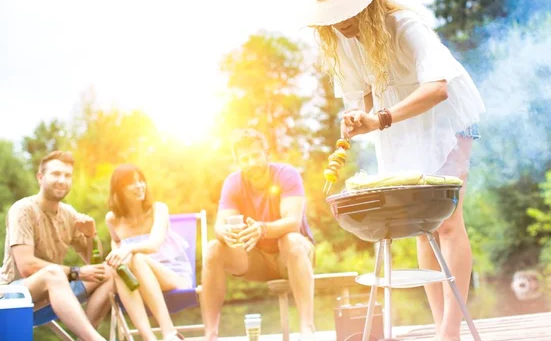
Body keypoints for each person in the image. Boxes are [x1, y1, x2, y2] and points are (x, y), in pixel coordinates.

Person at [306, 0, 486, 341]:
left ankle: (451, 330)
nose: (340, 23)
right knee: (423, 227)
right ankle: (440, 325)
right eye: (332, 17)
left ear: (365, 3)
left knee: (448, 223)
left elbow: (439, 89)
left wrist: (381, 118)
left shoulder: (407, 26)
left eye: (345, 12)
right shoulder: (340, 39)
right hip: (400, 128)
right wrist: (359, 116)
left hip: (446, 119)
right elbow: (365, 92)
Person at [202, 128, 316, 341]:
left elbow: (293, 222)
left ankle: (307, 329)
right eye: (245, 159)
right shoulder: (233, 182)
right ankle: (210, 335)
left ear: (267, 154)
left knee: (290, 240)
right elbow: (219, 226)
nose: (252, 163)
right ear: (238, 162)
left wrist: (262, 229)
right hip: (256, 260)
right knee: (213, 248)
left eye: (256, 155)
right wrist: (225, 233)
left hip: (292, 256)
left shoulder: (286, 174)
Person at [0, 151, 113, 341]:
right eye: (56, 174)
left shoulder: (68, 214)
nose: (62, 180)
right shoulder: (23, 210)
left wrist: (91, 236)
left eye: (67, 175)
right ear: (40, 177)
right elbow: (27, 267)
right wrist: (77, 273)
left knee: (109, 272)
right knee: (54, 274)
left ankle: (86, 338)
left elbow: (93, 262)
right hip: (12, 296)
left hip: (55, 292)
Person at [104, 164, 192, 341]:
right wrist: (116, 255)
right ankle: (148, 338)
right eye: (131, 183)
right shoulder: (112, 219)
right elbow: (116, 249)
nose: (139, 186)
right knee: (120, 267)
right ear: (118, 190)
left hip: (173, 276)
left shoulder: (158, 209)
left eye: (141, 181)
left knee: (137, 259)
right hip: (137, 282)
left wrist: (126, 250)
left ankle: (169, 332)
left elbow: (153, 245)